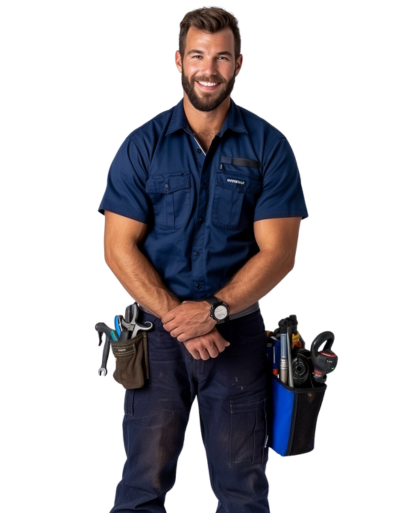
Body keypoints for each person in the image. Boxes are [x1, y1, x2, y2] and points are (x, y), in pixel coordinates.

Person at [97, 6, 308, 512]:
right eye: (197, 56)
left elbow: (278, 254)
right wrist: (182, 320)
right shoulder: (141, 146)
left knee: (243, 492)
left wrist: (211, 311)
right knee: (141, 488)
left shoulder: (269, 147)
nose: (207, 69)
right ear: (177, 61)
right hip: (156, 344)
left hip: (236, 339)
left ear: (239, 65)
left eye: (220, 57)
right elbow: (116, 248)